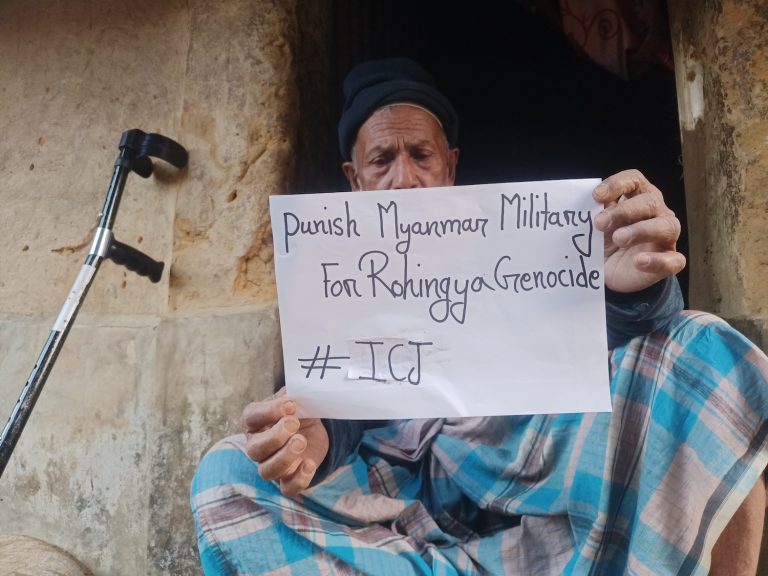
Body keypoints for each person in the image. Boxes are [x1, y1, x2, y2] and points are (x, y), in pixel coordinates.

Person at [191, 58, 768, 575]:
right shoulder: (324, 269)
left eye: (420, 155)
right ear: (354, 178)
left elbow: (606, 336)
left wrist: (636, 290)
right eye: (382, 159)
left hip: (524, 456)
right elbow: (321, 426)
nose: (405, 178)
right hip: (395, 485)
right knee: (227, 473)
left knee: (704, 352)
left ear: (450, 164)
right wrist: (311, 438)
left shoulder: (518, 234)